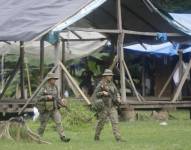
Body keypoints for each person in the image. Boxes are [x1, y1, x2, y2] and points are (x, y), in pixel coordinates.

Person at [36, 73, 70, 142]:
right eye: (53, 79)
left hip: (54, 108)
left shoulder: (55, 87)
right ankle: (37, 137)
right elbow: (38, 98)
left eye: (55, 79)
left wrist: (62, 104)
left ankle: (63, 137)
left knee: (59, 122)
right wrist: (46, 97)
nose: (55, 80)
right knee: (43, 125)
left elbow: (57, 98)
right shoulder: (44, 87)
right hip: (46, 109)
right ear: (49, 79)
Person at [93, 69, 125, 142]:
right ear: (105, 76)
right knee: (101, 123)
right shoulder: (101, 84)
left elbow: (117, 92)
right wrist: (103, 93)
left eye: (111, 75)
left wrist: (118, 98)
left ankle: (118, 139)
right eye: (109, 75)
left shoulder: (112, 84)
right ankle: (96, 137)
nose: (110, 76)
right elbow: (95, 94)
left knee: (115, 122)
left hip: (112, 106)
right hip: (104, 106)